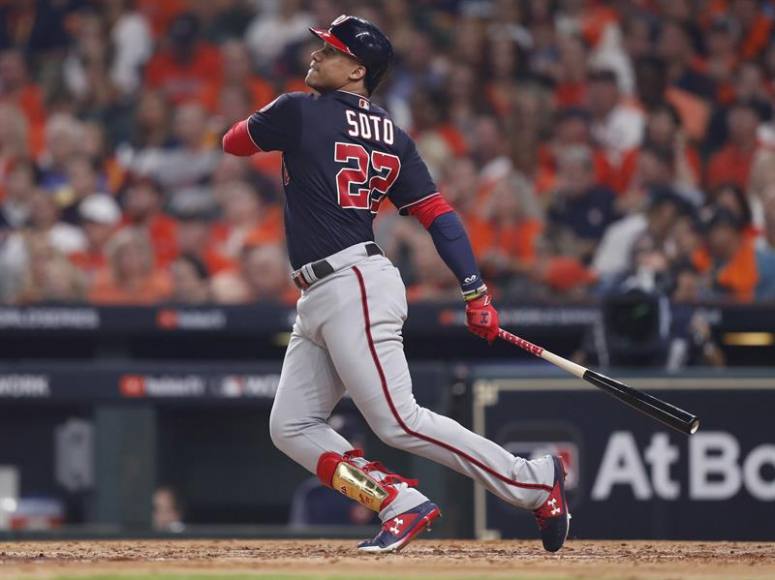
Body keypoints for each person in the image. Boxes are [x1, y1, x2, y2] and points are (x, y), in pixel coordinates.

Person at [223, 15, 568, 554]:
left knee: (398, 420)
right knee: (291, 426)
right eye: (321, 46)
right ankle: (395, 499)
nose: (316, 55)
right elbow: (440, 217)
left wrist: (278, 116)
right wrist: (475, 290)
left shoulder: (297, 109)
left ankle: (532, 479)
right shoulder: (394, 133)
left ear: (357, 69)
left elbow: (233, 143)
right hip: (327, 290)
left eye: (331, 50)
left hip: (352, 282)